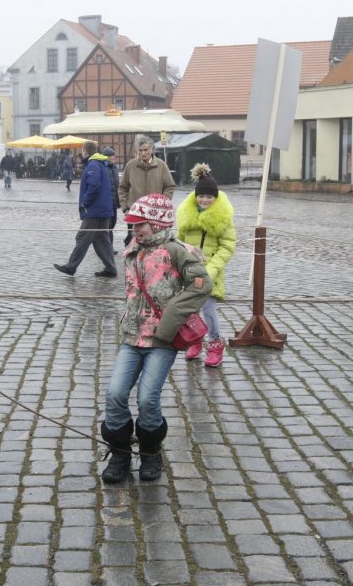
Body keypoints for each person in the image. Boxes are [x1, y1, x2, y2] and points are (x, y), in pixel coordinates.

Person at [101, 193, 211, 483]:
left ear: (157, 223)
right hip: (132, 336)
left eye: (141, 225)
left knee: (148, 398)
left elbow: (201, 285)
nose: (135, 230)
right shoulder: (133, 250)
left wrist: (172, 318)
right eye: (133, 225)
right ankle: (119, 453)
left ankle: (150, 454)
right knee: (115, 394)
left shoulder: (177, 251)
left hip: (161, 340)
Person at [176, 164, 237, 367]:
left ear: (215, 197)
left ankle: (215, 344)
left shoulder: (223, 219)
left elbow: (227, 247)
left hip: (211, 274)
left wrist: (210, 270)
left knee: (209, 311)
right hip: (189, 273)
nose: (204, 200)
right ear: (196, 196)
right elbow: (179, 242)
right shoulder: (186, 216)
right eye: (201, 196)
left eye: (209, 197)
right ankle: (195, 340)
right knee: (190, 311)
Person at [54, 141, 118, 277]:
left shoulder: (93, 165)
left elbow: (94, 186)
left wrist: (85, 202)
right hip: (104, 209)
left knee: (82, 237)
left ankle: (71, 267)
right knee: (102, 240)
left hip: (94, 210)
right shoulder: (101, 163)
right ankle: (111, 268)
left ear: (85, 150)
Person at [118, 136, 176, 246]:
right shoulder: (130, 166)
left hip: (155, 214)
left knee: (154, 241)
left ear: (152, 150)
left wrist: (163, 203)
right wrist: (125, 208)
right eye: (140, 150)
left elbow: (170, 186)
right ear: (136, 151)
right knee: (134, 241)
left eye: (146, 150)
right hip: (135, 212)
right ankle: (132, 261)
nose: (143, 153)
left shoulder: (161, 165)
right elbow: (122, 188)